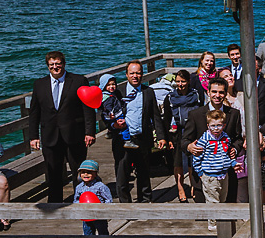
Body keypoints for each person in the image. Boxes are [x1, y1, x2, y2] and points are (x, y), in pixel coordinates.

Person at [28, 51, 95, 203]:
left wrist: (90, 132)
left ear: (63, 64)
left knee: (78, 170)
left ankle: (81, 199)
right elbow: (34, 113)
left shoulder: (79, 81)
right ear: (47, 66)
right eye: (51, 65)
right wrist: (33, 136)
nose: (55, 67)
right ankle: (55, 203)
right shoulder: (39, 84)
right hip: (50, 135)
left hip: (74, 134)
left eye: (58, 64)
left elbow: (88, 108)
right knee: (53, 172)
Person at [111, 61, 168, 203]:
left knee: (143, 171)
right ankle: (125, 204)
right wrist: (114, 124)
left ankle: (145, 200)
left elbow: (155, 116)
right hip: (123, 138)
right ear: (126, 75)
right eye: (132, 73)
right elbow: (107, 113)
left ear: (142, 74)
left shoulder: (148, 92)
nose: (135, 76)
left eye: (138, 73)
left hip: (142, 137)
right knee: (122, 173)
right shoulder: (119, 92)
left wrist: (161, 137)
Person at [184, 78, 243, 203]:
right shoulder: (195, 114)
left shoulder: (234, 114)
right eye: (214, 92)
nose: (217, 95)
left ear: (226, 93)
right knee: (206, 213)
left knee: (227, 210)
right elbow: (184, 140)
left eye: (221, 92)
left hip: (226, 172)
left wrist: (235, 149)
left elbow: (238, 138)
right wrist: (189, 147)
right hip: (204, 173)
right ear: (208, 93)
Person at [192, 109, 236, 232]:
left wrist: (233, 163)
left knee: (222, 199)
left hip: (223, 174)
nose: (216, 128)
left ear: (224, 125)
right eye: (213, 126)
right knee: (213, 201)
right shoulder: (204, 139)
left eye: (219, 125)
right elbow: (197, 156)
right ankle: (213, 224)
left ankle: (221, 222)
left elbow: (228, 154)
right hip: (210, 175)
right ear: (208, 126)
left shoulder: (225, 138)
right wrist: (200, 172)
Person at [74, 160, 113, 238]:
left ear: (96, 174)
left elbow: (108, 200)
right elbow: (76, 200)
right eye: (83, 172)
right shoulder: (79, 187)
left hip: (99, 215)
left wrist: (105, 210)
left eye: (89, 172)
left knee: (103, 233)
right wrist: (78, 207)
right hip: (86, 216)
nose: (85, 174)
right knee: (88, 234)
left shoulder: (100, 186)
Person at [97, 75, 134, 147]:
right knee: (124, 126)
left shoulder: (114, 93)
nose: (111, 87)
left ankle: (110, 132)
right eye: (108, 85)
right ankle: (127, 140)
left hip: (114, 114)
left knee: (114, 125)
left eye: (113, 84)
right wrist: (109, 113)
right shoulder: (107, 97)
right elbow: (107, 107)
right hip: (115, 114)